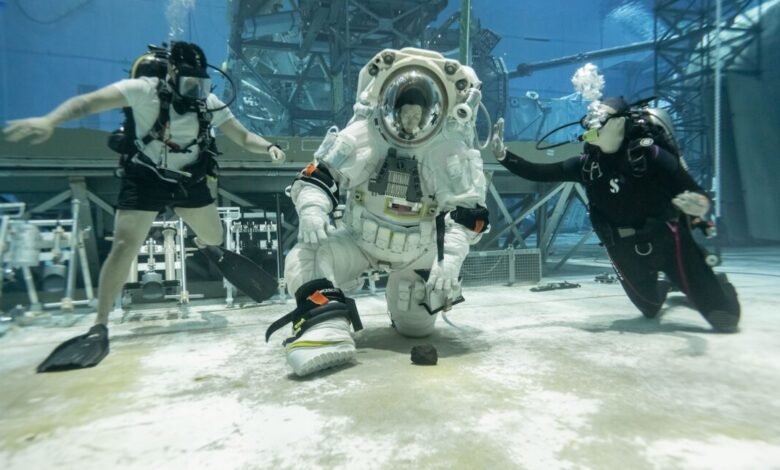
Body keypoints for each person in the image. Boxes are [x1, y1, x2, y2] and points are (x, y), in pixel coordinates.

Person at [3, 41, 286, 370]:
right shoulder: (142, 90)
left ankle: (206, 245)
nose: (195, 92)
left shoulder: (208, 103)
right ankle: (99, 327)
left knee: (215, 237)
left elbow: (242, 136)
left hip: (189, 181)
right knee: (124, 247)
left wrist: (269, 147)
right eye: (188, 84)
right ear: (172, 75)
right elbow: (86, 104)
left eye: (201, 85)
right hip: (145, 178)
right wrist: (49, 120)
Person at [265, 47, 489, 376]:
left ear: (433, 113)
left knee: (417, 329)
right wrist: (313, 208)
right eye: (405, 112)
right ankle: (324, 330)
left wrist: (449, 259)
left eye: (418, 114)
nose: (410, 122)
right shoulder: (364, 135)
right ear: (390, 107)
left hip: (417, 254)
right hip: (358, 242)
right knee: (306, 254)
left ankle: (404, 305)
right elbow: (319, 176)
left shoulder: (447, 150)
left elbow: (469, 214)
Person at [490, 96, 740, 332]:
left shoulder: (648, 154)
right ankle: (670, 284)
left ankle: (717, 284)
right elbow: (539, 172)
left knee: (725, 319)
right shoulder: (586, 165)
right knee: (650, 309)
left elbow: (691, 188)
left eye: (601, 115)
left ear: (620, 121)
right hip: (623, 248)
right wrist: (503, 155)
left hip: (668, 241)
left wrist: (700, 206)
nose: (591, 120)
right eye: (591, 115)